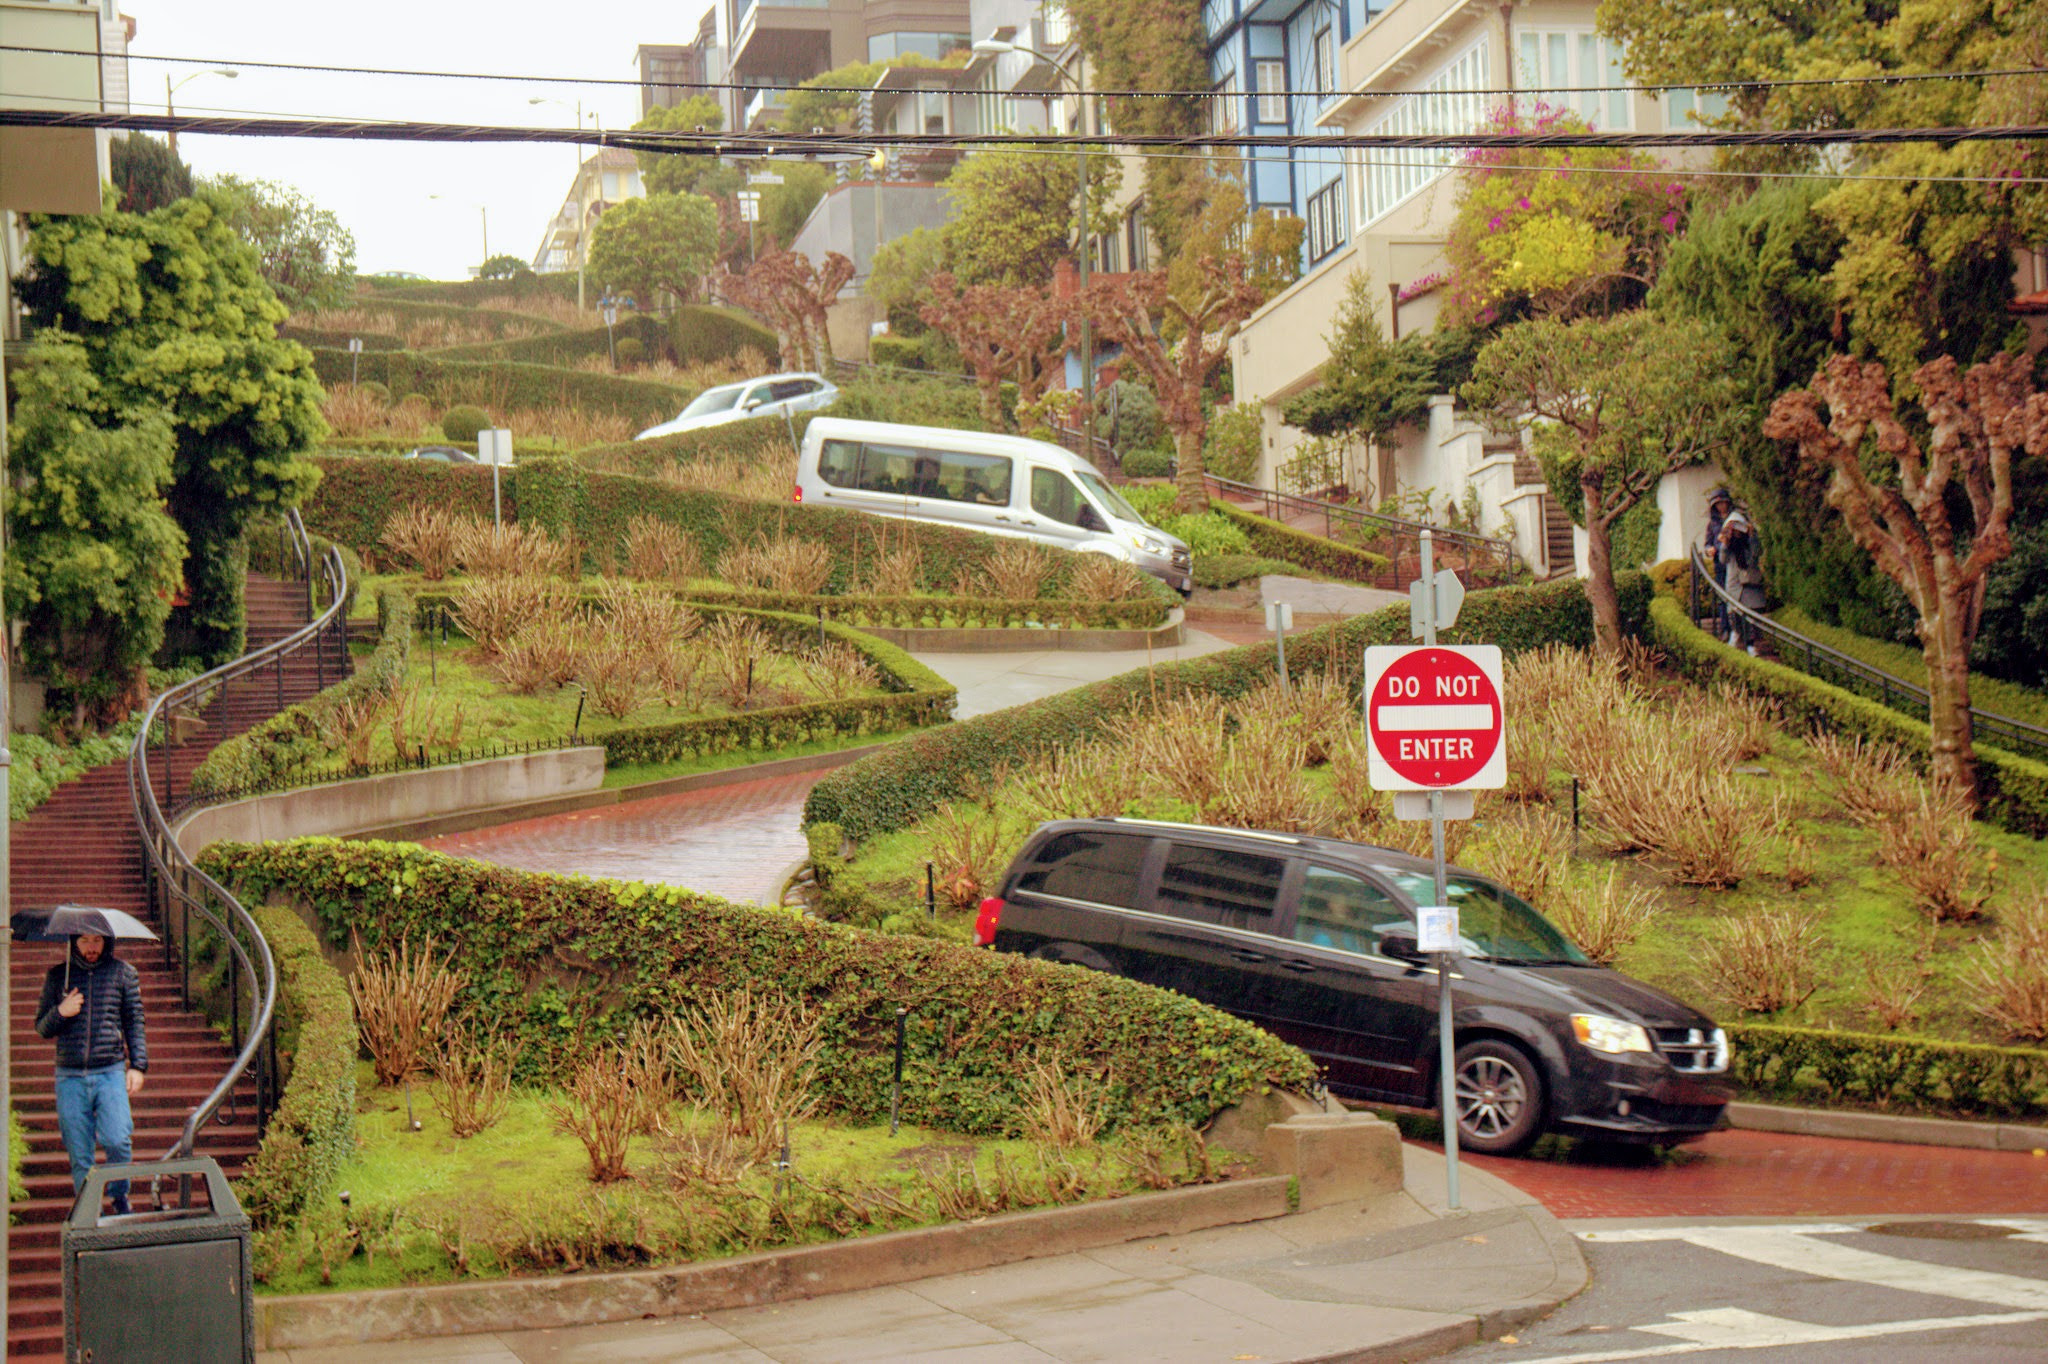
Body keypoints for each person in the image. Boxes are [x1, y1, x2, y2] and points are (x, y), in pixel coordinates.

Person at [35, 931, 148, 1215]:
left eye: (97, 940)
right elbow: (42, 1028)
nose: (91, 947)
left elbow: (134, 1020)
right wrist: (62, 1010)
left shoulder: (123, 974)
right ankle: (88, 1213)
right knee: (80, 1154)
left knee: (118, 1140)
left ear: (107, 942)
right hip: (69, 1075)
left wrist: (137, 1065)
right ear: (74, 942)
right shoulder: (58, 976)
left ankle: (119, 1196)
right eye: (84, 941)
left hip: (109, 1070)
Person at [1719, 508, 1766, 655]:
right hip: (1734, 582)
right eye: (1734, 527)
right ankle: (1735, 636)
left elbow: (1756, 553)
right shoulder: (1729, 544)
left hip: (1749, 581)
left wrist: (1752, 535)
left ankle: (1751, 645)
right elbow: (1723, 560)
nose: (1737, 531)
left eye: (1740, 526)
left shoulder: (1749, 541)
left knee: (1750, 615)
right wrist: (1725, 543)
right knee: (1734, 612)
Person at [1703, 488, 1735, 635]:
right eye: (1718, 504)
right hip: (1720, 563)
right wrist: (1709, 550)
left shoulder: (1735, 519)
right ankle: (1725, 628)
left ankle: (1739, 629)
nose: (1721, 506)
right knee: (1722, 595)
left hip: (1735, 560)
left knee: (1736, 595)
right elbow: (1707, 543)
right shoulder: (1712, 524)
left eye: (1723, 503)